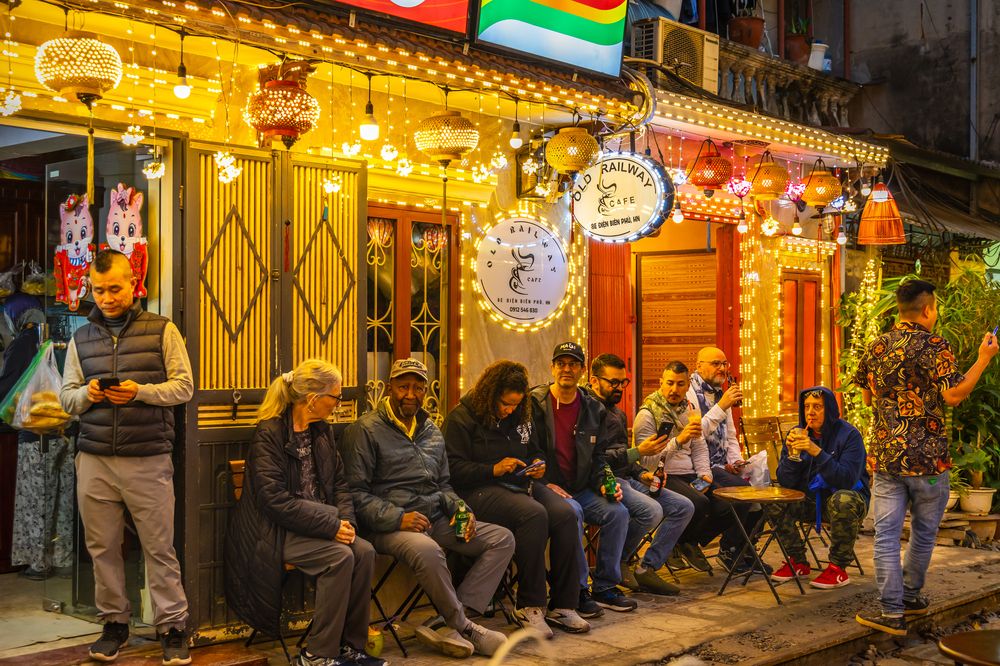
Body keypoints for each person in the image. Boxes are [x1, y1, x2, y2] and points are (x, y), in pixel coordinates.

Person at [60, 249, 194, 665]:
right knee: (102, 548)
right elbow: (67, 398)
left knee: (159, 548)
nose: (106, 297)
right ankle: (114, 626)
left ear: (133, 283)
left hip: (148, 457)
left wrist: (140, 391)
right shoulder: (81, 338)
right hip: (94, 458)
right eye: (98, 290)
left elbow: (184, 387)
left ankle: (173, 627)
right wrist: (88, 394)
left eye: (114, 288)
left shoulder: (162, 330)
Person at [340, 358, 513, 659]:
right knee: (428, 550)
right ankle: (465, 626)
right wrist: (398, 517)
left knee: (502, 539)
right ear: (388, 387)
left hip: (433, 516)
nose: (410, 394)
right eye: (403, 386)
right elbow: (354, 493)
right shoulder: (365, 430)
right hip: (388, 526)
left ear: (426, 390)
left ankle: (447, 623)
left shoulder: (432, 430)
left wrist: (462, 510)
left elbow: (444, 485)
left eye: (418, 387)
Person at [853, 279, 998, 636]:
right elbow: (953, 395)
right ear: (928, 309)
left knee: (886, 536)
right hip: (929, 460)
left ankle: (892, 612)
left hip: (888, 458)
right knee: (924, 531)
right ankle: (911, 595)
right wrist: (984, 358)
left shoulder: (876, 346)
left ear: (899, 309)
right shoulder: (935, 344)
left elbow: (869, 399)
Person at [225, 360, 384, 666]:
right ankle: (317, 654)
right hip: (273, 531)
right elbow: (274, 501)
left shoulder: (321, 432)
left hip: (318, 527)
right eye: (335, 397)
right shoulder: (269, 434)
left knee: (364, 552)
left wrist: (346, 522)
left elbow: (339, 484)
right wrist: (331, 524)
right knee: (339, 558)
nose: (338, 403)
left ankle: (351, 646)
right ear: (313, 398)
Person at [443, 360, 589, 637]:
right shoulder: (461, 418)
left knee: (566, 513)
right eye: (505, 404)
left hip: (521, 482)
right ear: (490, 394)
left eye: (515, 404)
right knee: (533, 514)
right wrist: (493, 468)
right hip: (476, 490)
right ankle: (530, 606)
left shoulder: (521, 414)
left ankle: (564, 604)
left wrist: (538, 463)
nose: (509, 410)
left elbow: (537, 450)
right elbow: (450, 469)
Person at [530, 342, 636, 615]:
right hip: (547, 488)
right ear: (552, 367)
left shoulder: (592, 408)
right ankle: (577, 590)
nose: (567, 369)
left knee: (619, 513)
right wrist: (545, 482)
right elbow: (529, 450)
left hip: (580, 486)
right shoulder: (536, 404)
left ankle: (605, 587)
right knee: (573, 513)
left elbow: (598, 455)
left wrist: (604, 481)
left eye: (573, 364)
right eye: (561, 363)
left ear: (581, 370)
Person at [634, 361, 759, 577]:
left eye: (680, 384)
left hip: (691, 472)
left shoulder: (689, 409)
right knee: (699, 503)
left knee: (735, 502)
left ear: (686, 386)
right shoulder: (647, 414)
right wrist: (679, 440)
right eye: (670, 383)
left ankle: (688, 541)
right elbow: (647, 462)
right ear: (660, 383)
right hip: (663, 474)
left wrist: (705, 474)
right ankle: (683, 542)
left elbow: (700, 446)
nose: (674, 390)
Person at [586, 353, 694, 596]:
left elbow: (626, 458)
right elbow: (596, 459)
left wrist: (642, 473)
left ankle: (647, 568)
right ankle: (618, 563)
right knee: (652, 510)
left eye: (622, 382)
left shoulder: (617, 412)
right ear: (594, 381)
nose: (619, 388)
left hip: (628, 478)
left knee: (684, 506)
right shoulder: (588, 411)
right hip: (600, 481)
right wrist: (637, 453)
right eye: (613, 382)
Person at [0, 294, 74, 580]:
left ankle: (39, 563)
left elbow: (9, 390)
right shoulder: (60, 338)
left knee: (36, 499)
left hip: (36, 435)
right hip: (65, 431)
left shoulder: (24, 344)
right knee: (63, 500)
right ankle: (63, 557)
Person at [767, 387, 869, 590]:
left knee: (843, 499)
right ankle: (797, 561)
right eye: (806, 407)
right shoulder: (797, 434)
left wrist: (816, 452)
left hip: (844, 501)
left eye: (817, 407)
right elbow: (785, 481)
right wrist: (792, 457)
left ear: (829, 409)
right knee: (773, 499)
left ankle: (838, 567)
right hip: (811, 501)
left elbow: (846, 480)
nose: (810, 412)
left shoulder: (849, 436)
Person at [688, 347, 767, 574]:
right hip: (697, 467)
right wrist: (721, 406)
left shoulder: (720, 391)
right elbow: (694, 434)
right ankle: (727, 549)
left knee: (762, 495)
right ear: (699, 365)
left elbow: (730, 435)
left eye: (725, 364)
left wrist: (737, 462)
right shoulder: (689, 394)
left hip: (721, 465)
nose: (722, 368)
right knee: (743, 494)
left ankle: (745, 549)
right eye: (715, 363)